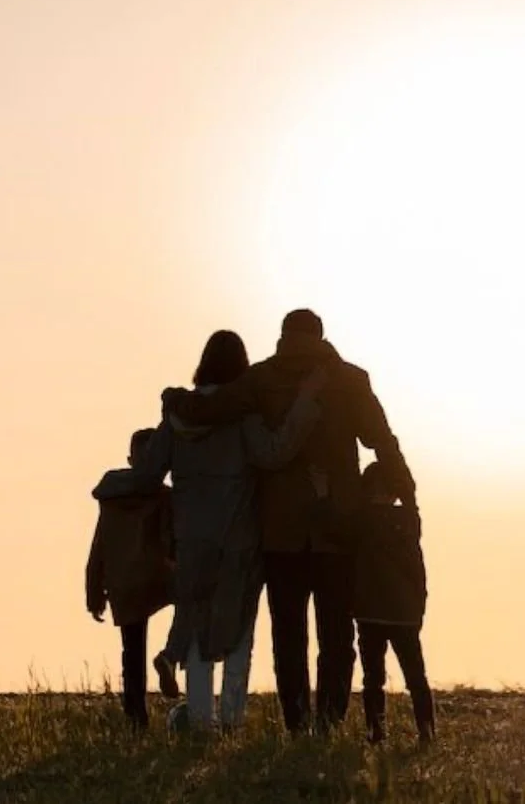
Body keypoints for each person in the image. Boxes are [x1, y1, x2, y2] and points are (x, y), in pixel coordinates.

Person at [163, 309, 413, 735]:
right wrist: (407, 494)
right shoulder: (350, 380)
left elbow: (213, 407)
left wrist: (174, 399)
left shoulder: (262, 379)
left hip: (279, 532)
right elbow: (382, 443)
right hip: (337, 529)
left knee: (289, 636)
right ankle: (328, 722)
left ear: (283, 335)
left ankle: (296, 721)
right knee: (336, 635)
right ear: (321, 335)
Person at [131, 329, 324, 732]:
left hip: (192, 537)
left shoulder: (177, 415)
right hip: (239, 536)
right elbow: (273, 453)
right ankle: (232, 720)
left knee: (198, 626)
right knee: (238, 631)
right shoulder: (242, 415)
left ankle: (201, 718)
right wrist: (305, 403)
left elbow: (150, 471)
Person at [330, 459, 434, 745]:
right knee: (416, 676)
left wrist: (320, 492)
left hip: (369, 611)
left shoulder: (361, 521)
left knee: (373, 677)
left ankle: (376, 730)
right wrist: (419, 607)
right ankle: (426, 729)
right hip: (404, 613)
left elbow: (334, 529)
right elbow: (417, 571)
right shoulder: (410, 521)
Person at [85, 428, 174, 730]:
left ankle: (136, 717)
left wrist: (94, 590)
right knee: (193, 613)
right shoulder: (164, 497)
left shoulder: (111, 497)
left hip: (124, 582)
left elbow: (99, 546)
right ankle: (171, 656)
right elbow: (172, 539)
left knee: (132, 652)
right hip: (159, 575)